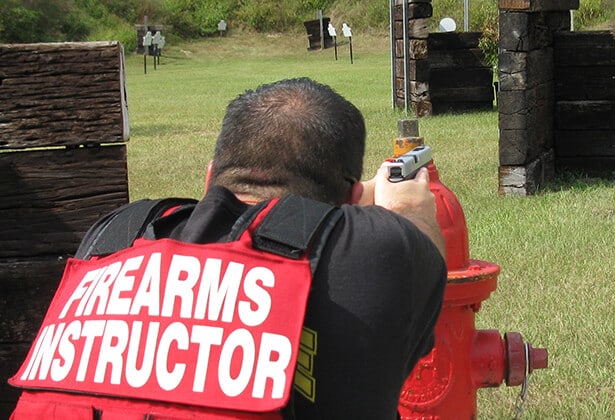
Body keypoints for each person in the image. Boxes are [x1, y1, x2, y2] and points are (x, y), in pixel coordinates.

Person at [7, 78, 447, 419]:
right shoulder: (379, 251)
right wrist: (406, 206)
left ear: (211, 175)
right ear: (351, 201)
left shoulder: (114, 234)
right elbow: (420, 257)